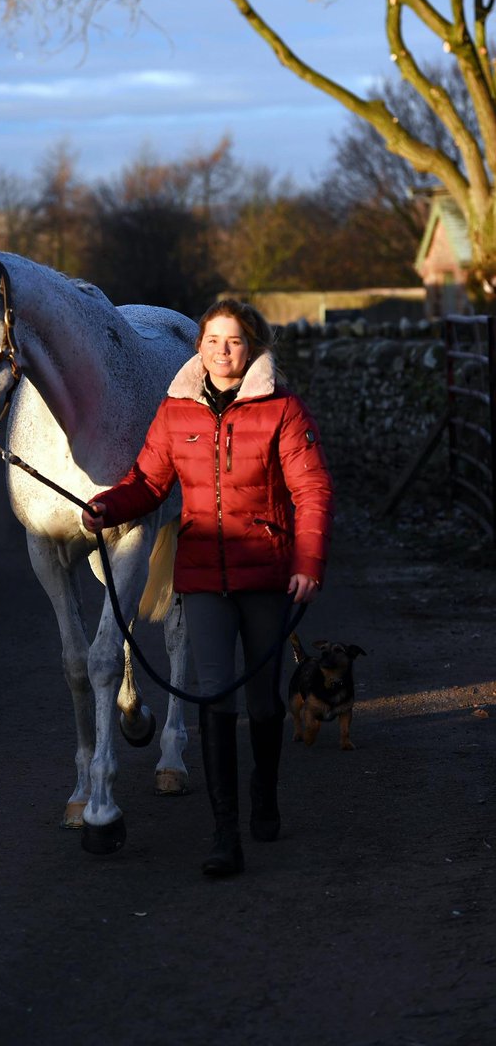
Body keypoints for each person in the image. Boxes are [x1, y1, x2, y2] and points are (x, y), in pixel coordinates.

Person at [82, 298, 334, 878]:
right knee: (215, 695)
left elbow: (313, 491)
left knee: (263, 700)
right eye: (214, 340)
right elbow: (147, 481)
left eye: (235, 341)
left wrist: (308, 563)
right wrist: (105, 505)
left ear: (254, 349)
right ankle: (225, 835)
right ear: (199, 346)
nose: (223, 351)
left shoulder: (283, 410)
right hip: (200, 580)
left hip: (268, 575)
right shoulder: (175, 412)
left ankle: (264, 796)